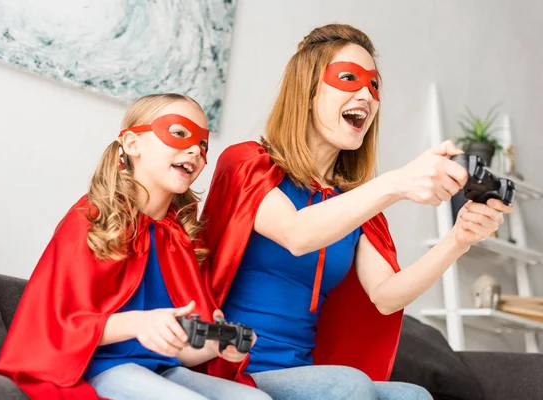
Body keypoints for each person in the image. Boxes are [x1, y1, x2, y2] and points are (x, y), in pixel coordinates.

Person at [201, 24, 513, 400]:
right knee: (347, 386)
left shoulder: (357, 205)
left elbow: (386, 295)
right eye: (348, 78)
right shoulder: (247, 163)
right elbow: (297, 234)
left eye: (374, 84)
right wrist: (396, 183)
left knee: (413, 396)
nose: (366, 93)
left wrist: (459, 240)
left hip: (301, 377)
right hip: (231, 369)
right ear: (309, 90)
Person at [0, 94, 272, 400]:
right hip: (96, 368)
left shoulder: (178, 240)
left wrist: (215, 343)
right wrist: (137, 323)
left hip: (161, 368)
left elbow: (181, 353)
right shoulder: (92, 218)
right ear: (131, 144)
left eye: (203, 144)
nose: (195, 149)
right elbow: (56, 326)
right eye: (179, 133)